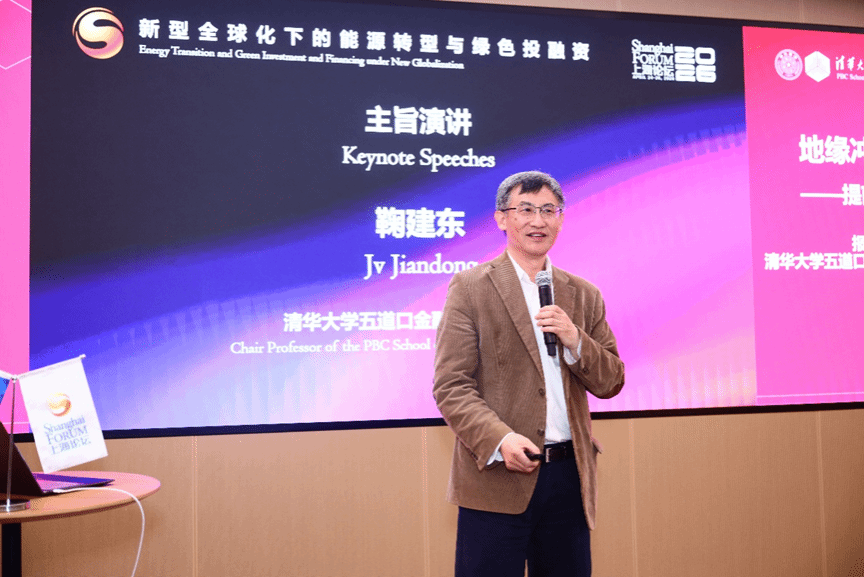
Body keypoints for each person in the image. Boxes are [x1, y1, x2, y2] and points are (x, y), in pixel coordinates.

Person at [433, 171, 625, 577]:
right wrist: (500, 439)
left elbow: (611, 381)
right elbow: (451, 386)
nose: (538, 221)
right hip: (497, 477)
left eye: (548, 211)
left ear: (561, 219)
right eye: (526, 210)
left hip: (568, 477)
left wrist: (575, 339)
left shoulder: (584, 293)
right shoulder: (470, 287)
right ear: (502, 218)